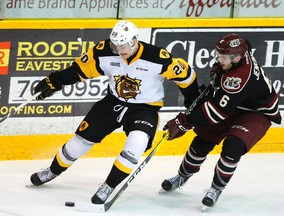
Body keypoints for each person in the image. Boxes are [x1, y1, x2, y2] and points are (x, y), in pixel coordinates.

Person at [30, 20, 201, 205]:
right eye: (116, 45)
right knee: (79, 142)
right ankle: (52, 171)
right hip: (112, 103)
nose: (119, 50)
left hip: (145, 108)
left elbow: (187, 75)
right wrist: (54, 81)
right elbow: (79, 70)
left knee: (136, 143)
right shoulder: (104, 51)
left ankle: (109, 185)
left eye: (123, 45)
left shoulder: (157, 57)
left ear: (135, 41)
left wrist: (193, 101)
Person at [160, 33, 282, 209]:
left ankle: (216, 189)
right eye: (218, 55)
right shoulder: (241, 52)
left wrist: (183, 122)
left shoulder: (238, 79)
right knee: (203, 139)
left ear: (237, 57)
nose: (218, 59)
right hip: (235, 103)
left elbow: (215, 113)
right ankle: (182, 176)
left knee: (233, 146)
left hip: (257, 112)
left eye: (222, 57)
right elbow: (245, 43)